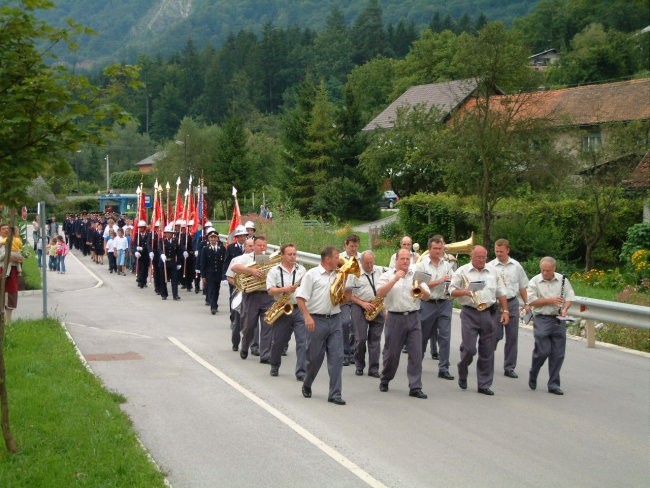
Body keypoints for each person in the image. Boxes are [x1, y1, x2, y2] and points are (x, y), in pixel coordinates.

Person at [449, 246, 508, 396]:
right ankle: (463, 369)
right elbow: (451, 290)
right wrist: (465, 292)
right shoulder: (462, 271)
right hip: (470, 312)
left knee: (487, 350)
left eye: (484, 257)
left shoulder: (493, 271)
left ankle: (484, 384)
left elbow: (501, 292)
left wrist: (506, 310)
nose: (481, 260)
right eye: (478, 257)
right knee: (469, 349)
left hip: (489, 312)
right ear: (471, 256)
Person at [296, 246, 349, 405]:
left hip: (335, 319)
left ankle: (335, 393)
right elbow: (300, 298)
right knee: (314, 359)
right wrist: (307, 317)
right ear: (327, 259)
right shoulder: (312, 275)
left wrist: (345, 296)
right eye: (336, 257)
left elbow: (343, 299)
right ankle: (307, 382)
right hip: (316, 320)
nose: (339, 260)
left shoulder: (339, 275)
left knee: (337, 357)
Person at [376, 248, 431, 399]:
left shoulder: (417, 275)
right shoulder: (387, 275)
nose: (406, 262)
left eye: (408, 259)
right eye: (403, 259)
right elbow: (379, 293)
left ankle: (415, 386)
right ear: (396, 260)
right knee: (392, 354)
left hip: (413, 316)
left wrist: (420, 290)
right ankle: (385, 378)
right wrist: (395, 279)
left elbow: (427, 296)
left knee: (416, 353)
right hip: (395, 318)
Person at [527, 256, 575, 395]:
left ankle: (553, 384)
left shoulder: (562, 280)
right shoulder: (535, 281)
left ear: (554, 269)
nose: (545, 273)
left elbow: (569, 297)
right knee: (543, 351)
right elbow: (531, 302)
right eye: (543, 270)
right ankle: (534, 371)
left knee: (558, 354)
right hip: (542, 318)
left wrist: (565, 308)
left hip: (558, 319)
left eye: (548, 270)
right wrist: (550, 300)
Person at [414, 235, 455, 381]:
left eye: (440, 248)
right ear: (429, 249)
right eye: (435, 248)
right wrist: (438, 281)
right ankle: (417, 364)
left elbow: (453, 282)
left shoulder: (447, 265)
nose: (438, 251)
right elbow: (419, 286)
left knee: (445, 336)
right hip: (428, 303)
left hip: (444, 303)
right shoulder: (422, 266)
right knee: (423, 337)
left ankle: (444, 368)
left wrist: (451, 285)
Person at [489, 238, 529, 379]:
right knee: (494, 336)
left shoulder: (516, 266)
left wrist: (527, 303)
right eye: (496, 251)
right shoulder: (490, 266)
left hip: (512, 303)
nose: (498, 254)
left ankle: (509, 367)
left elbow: (522, 286)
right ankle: (488, 363)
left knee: (512, 338)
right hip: (496, 304)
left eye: (501, 251)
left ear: (507, 250)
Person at [266, 243, 307, 379]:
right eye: (289, 254)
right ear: (282, 255)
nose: (292, 257)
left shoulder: (302, 270)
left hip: (298, 308)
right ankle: (275, 365)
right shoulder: (274, 271)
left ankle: (301, 372)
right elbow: (270, 290)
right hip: (282, 308)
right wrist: (285, 289)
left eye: (294, 254)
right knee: (279, 341)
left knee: (303, 341)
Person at [232, 235, 274, 362]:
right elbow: (234, 268)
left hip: (267, 296)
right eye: (259, 245)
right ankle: (245, 346)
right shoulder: (246, 258)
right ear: (254, 246)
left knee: (268, 326)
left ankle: (265, 355)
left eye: (264, 246)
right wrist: (251, 271)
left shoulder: (266, 258)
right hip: (251, 295)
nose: (262, 248)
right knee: (249, 326)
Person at [349, 251, 384, 378]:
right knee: (361, 338)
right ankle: (359, 364)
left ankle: (374, 369)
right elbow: (348, 295)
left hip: (376, 305)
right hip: (359, 306)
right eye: (367, 263)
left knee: (375, 339)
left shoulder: (379, 271)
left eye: (371, 262)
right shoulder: (354, 274)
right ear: (361, 261)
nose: (369, 265)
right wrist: (363, 304)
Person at [225, 237, 254, 352]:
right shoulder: (237, 259)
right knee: (238, 321)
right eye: (249, 246)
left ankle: (252, 345)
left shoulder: (261, 260)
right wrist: (241, 286)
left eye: (253, 246)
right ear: (245, 247)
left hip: (253, 293)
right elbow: (229, 277)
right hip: (239, 292)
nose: (252, 248)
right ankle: (235, 342)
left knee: (252, 321)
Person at [339, 234, 362, 366]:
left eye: (355, 246)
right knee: (344, 323)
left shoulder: (361, 258)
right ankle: (344, 352)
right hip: (344, 296)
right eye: (351, 246)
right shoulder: (340, 258)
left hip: (357, 295)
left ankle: (353, 352)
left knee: (355, 324)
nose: (353, 248)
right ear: (345, 245)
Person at [0, 224, 23, 322]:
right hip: (1, 269)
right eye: (3, 229)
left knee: (12, 294)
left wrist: (19, 258)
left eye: (7, 229)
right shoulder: (2, 242)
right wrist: (7, 256)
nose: (6, 230)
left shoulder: (15, 240)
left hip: (13, 271)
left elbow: (21, 257)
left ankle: (8, 321)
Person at [200, 229, 226, 315]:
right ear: (209, 239)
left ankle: (215, 304)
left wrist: (224, 274)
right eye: (211, 237)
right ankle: (213, 307)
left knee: (217, 290)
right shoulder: (205, 249)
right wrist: (203, 276)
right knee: (211, 290)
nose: (213, 239)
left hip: (218, 273)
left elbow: (224, 262)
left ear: (217, 238)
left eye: (215, 237)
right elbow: (203, 263)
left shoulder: (222, 248)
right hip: (209, 274)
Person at [159, 224, 181, 301]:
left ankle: (175, 295)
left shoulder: (175, 241)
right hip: (164, 262)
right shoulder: (162, 241)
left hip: (172, 262)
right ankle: (164, 294)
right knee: (163, 279)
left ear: (172, 234)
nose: (168, 234)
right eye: (166, 233)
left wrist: (179, 263)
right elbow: (160, 249)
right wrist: (162, 254)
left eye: (169, 233)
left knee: (174, 279)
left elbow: (178, 253)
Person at [133, 221, 151, 288]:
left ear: (144, 228)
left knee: (145, 268)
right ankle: (140, 281)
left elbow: (149, 245)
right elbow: (134, 244)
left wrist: (142, 248)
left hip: (145, 254)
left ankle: (144, 281)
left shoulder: (148, 235)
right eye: (139, 227)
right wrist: (135, 251)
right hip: (139, 255)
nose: (140, 228)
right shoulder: (137, 235)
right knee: (139, 268)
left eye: (141, 227)